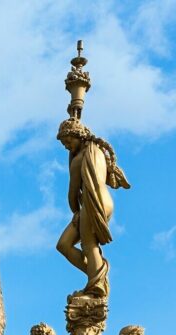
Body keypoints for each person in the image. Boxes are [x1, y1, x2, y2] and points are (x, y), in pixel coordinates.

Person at [55, 118, 130, 298]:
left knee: (89, 244)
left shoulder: (79, 159)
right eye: (63, 143)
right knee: (64, 244)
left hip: (92, 202)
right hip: (106, 202)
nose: (66, 146)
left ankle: (97, 285)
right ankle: (96, 276)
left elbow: (72, 193)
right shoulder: (97, 152)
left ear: (78, 136)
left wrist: (76, 212)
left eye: (68, 141)